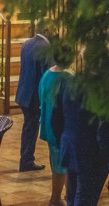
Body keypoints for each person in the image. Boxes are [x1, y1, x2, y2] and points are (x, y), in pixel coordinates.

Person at [55, 51, 109, 206]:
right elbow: (105, 132)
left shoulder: (67, 82)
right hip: (91, 153)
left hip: (69, 146)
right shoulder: (106, 91)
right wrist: (108, 157)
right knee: (85, 199)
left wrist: (61, 141)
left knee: (72, 197)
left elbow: (56, 117)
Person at [40, 52, 74, 206]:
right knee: (61, 165)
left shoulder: (47, 74)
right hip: (61, 128)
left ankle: (69, 195)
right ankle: (55, 199)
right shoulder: (67, 79)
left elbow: (41, 95)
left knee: (57, 162)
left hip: (48, 123)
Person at [18, 22, 53, 172]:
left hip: (23, 93)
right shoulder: (45, 48)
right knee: (31, 128)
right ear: (46, 30)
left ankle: (26, 159)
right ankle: (26, 161)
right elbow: (49, 73)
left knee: (28, 128)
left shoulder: (27, 44)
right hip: (34, 97)